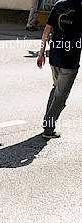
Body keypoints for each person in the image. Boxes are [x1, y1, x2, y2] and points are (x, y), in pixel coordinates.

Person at [37, 0, 82, 138]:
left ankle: (48, 122)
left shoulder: (58, 5)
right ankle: (49, 128)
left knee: (57, 90)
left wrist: (41, 52)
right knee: (61, 96)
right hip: (69, 60)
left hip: (54, 57)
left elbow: (47, 29)